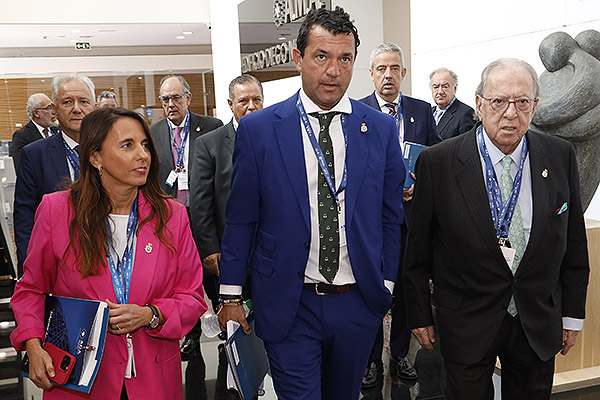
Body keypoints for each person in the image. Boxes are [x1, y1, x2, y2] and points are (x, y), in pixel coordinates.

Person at [217, 7, 405, 400]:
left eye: (345, 58)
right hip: (290, 299)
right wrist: (231, 294)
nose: (334, 70)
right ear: (298, 57)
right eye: (322, 56)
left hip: (358, 299)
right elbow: (241, 218)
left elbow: (391, 215)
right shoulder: (259, 130)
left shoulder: (381, 129)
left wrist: (385, 282)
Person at [403, 58, 590, 399]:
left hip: (535, 318)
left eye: (521, 102)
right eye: (499, 101)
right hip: (466, 319)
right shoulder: (438, 162)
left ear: (535, 106)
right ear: (479, 104)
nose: (510, 113)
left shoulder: (560, 155)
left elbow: (574, 244)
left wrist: (573, 316)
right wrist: (418, 314)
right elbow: (417, 249)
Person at [10, 106, 207, 399]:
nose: (143, 155)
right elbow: (31, 289)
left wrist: (150, 314)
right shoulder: (57, 211)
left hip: (153, 379)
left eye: (144, 145)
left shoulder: (172, 216)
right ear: (95, 156)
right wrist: (32, 343)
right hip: (81, 379)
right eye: (127, 145)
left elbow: (192, 297)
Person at [359, 42, 441, 386]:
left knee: (408, 288)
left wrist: (419, 182)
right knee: (371, 288)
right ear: (372, 74)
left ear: (403, 73)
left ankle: (399, 355)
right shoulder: (357, 112)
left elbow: (436, 157)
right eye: (381, 69)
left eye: (395, 68)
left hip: (411, 218)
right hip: (370, 221)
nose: (388, 75)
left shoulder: (421, 111)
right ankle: (370, 359)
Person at [184, 74, 263, 358]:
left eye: (257, 100)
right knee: (233, 316)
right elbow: (200, 201)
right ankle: (237, 366)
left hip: (268, 250)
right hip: (228, 251)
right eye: (244, 101)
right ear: (231, 104)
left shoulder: (277, 137)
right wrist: (209, 248)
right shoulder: (210, 143)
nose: (251, 106)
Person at [14, 73, 96, 276]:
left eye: (83, 101)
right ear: (55, 110)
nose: (76, 109)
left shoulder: (111, 150)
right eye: (67, 102)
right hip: (57, 263)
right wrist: (30, 268)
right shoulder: (34, 155)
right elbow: (25, 215)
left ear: (94, 107)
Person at [150, 75, 222, 205]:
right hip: (168, 211)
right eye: (165, 100)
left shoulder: (212, 127)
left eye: (176, 98)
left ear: (188, 98)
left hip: (203, 210)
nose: (171, 104)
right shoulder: (152, 133)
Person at [10, 93, 58, 172]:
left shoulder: (57, 131)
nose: (53, 112)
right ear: (36, 113)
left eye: (53, 107)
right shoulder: (21, 136)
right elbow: (22, 170)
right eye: (49, 108)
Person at [429, 67, 475, 140]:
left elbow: (466, 146)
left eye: (445, 86)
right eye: (435, 87)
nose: (440, 91)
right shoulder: (429, 112)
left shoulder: (466, 113)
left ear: (455, 89)